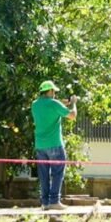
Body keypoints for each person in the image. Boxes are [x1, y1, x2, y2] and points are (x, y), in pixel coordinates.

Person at [32, 80, 77, 211]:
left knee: (43, 174)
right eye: (54, 92)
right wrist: (73, 104)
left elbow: (49, 106)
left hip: (40, 145)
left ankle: (45, 202)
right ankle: (55, 201)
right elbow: (72, 115)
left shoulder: (35, 105)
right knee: (57, 173)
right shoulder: (54, 104)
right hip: (55, 145)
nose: (55, 94)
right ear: (50, 91)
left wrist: (61, 104)